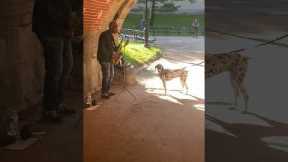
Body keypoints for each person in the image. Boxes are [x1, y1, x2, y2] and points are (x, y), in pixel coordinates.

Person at [32, 0, 75, 122]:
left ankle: (59, 104)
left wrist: (70, 25)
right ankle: (49, 110)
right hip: (51, 33)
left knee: (67, 67)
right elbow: (47, 13)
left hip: (63, 33)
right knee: (55, 71)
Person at [97, 21, 120, 99]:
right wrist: (112, 55)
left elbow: (112, 48)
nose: (117, 28)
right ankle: (104, 93)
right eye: (116, 27)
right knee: (106, 75)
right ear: (111, 27)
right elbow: (102, 49)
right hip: (104, 58)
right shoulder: (104, 35)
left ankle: (107, 91)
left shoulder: (110, 35)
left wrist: (118, 48)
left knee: (111, 75)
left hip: (109, 59)